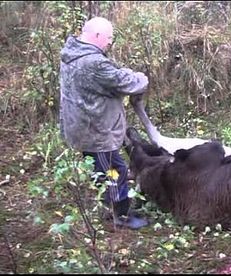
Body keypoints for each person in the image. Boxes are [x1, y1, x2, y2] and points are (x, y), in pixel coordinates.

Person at [59, 17, 149, 230]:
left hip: (81, 126)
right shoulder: (93, 62)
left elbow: (111, 79)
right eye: (108, 37)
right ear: (97, 35)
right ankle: (122, 216)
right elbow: (127, 83)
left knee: (102, 169)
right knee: (114, 169)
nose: (110, 42)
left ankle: (109, 206)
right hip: (95, 130)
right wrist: (140, 77)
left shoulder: (71, 54)